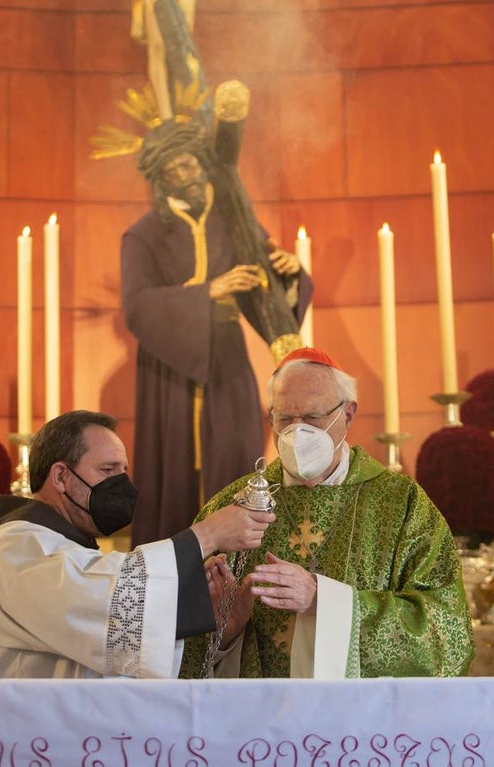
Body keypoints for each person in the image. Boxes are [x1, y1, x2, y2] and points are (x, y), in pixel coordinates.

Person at [181, 348, 475, 679]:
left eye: (312, 417)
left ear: (348, 415)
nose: (297, 431)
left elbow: (446, 631)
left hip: (358, 724)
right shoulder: (232, 507)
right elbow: (177, 643)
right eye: (284, 419)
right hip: (259, 721)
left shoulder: (402, 505)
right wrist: (225, 631)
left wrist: (326, 602)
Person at [0, 409, 275, 679]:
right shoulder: (13, 546)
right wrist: (206, 537)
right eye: (108, 470)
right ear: (60, 478)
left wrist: (218, 626)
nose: (122, 484)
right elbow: (93, 600)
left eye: (124, 471)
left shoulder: (64, 547)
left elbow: (107, 644)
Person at [122, 121, 312, 548]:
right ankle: (175, 576)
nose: (184, 177)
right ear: (158, 178)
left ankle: (240, 571)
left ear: (204, 163)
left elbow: (267, 286)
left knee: (236, 455)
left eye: (188, 165)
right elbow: (136, 306)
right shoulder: (143, 234)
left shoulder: (234, 221)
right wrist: (207, 292)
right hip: (169, 367)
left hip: (226, 358)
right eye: (171, 171)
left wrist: (290, 273)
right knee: (174, 470)